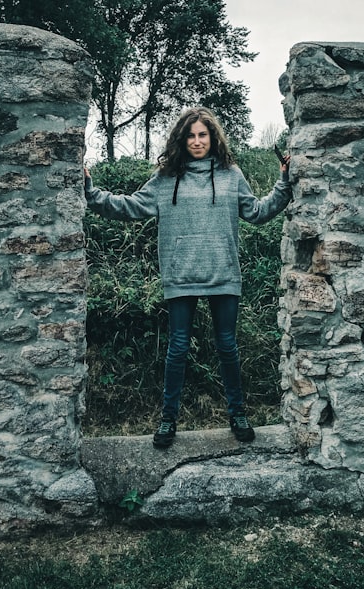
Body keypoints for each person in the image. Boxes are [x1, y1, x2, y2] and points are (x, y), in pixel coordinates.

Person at [84, 107, 293, 448]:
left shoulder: (230, 174)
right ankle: (168, 419)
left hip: (223, 273)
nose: (197, 141)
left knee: (227, 347)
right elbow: (129, 206)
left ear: (213, 138)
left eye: (203, 135)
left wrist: (284, 180)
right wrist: (91, 192)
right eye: (191, 136)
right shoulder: (166, 178)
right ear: (182, 140)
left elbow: (257, 211)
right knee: (178, 348)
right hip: (180, 274)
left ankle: (238, 413)